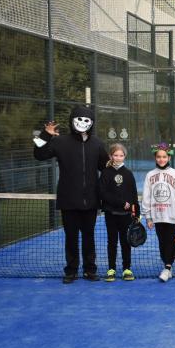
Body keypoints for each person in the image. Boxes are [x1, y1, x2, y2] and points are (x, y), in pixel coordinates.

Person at [33, 106, 109, 283]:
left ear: (91, 123)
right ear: (72, 120)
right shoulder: (60, 142)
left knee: (89, 237)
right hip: (68, 200)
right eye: (79, 119)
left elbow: (105, 167)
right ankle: (71, 271)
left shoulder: (97, 143)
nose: (82, 123)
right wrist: (45, 135)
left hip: (91, 201)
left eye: (86, 120)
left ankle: (90, 270)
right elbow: (39, 154)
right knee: (71, 237)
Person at [141, 142, 175, 282]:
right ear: (155, 158)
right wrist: (148, 217)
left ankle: (168, 267)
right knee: (161, 241)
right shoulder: (150, 175)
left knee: (170, 241)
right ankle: (167, 265)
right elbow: (146, 196)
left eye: (164, 157)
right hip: (157, 215)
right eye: (159, 157)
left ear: (169, 158)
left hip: (172, 214)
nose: (161, 159)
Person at [98, 143, 139, 282]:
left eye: (121, 155)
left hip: (126, 216)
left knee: (125, 242)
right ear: (111, 156)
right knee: (112, 242)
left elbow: (133, 195)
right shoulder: (105, 173)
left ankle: (127, 269)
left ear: (124, 156)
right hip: (111, 214)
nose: (118, 157)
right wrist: (121, 203)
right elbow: (103, 193)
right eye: (116, 155)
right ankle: (111, 269)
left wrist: (137, 214)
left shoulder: (128, 174)